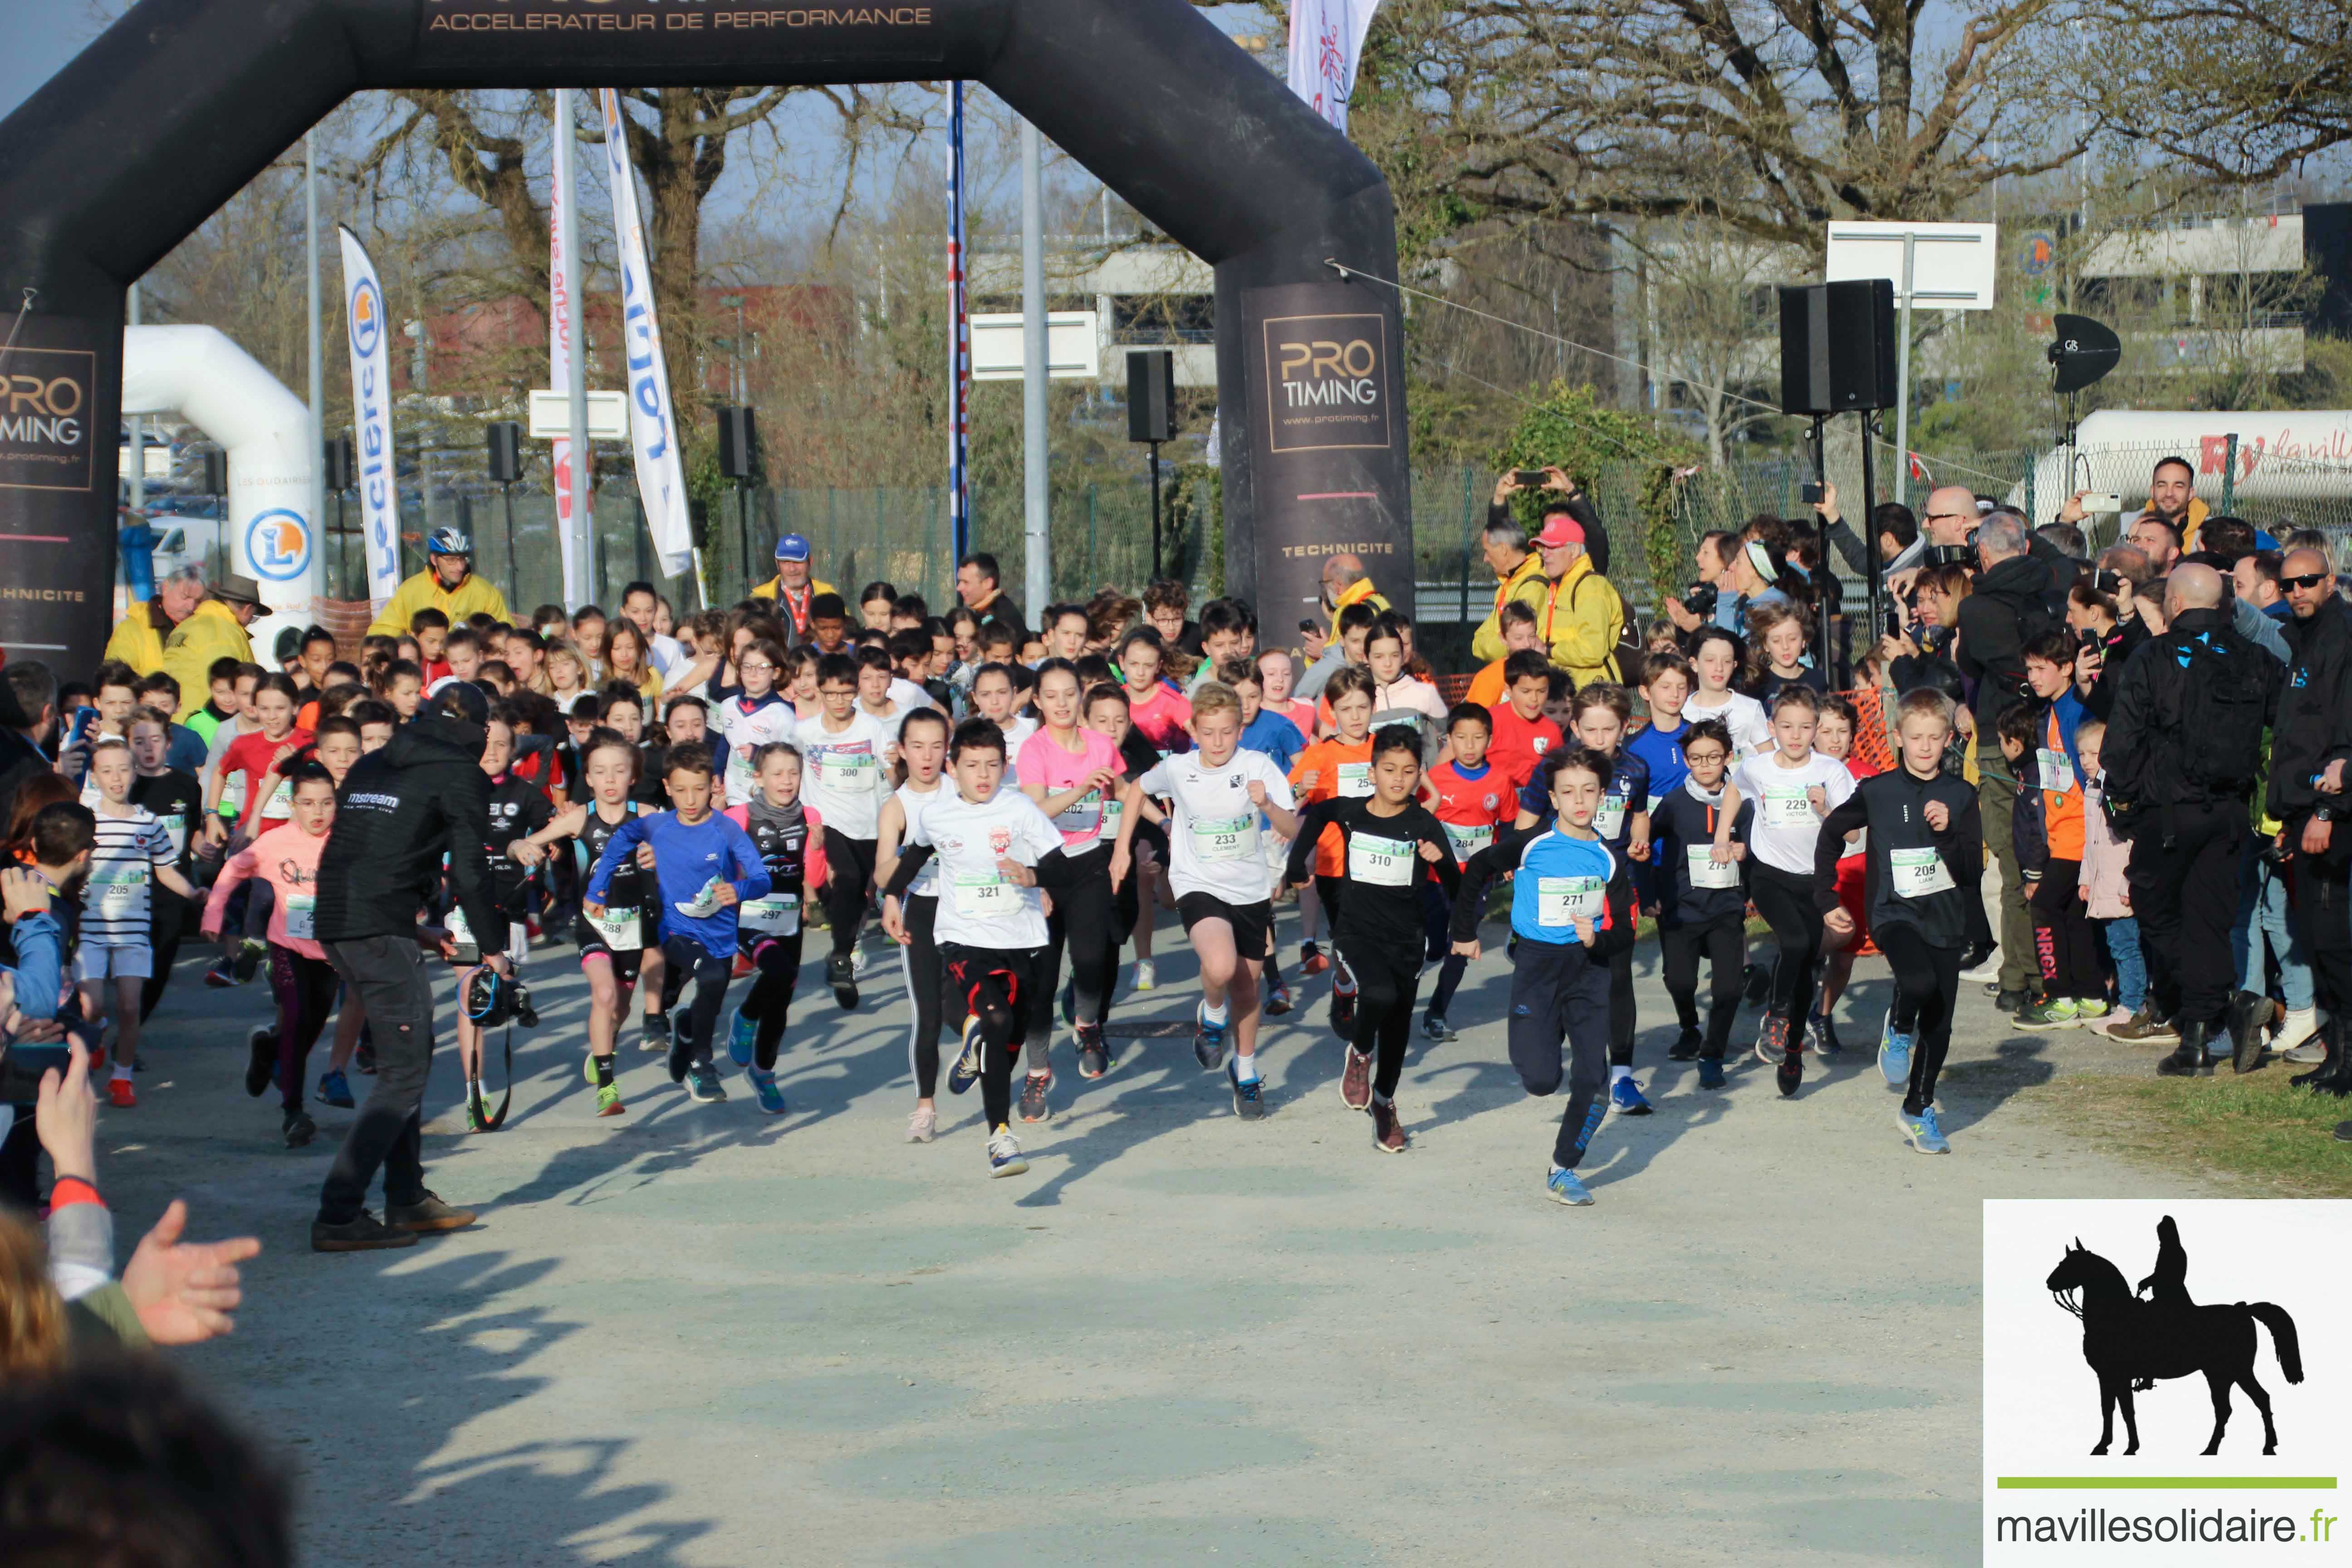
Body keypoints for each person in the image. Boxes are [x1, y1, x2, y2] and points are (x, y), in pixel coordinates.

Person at [305, 684, 506, 1252]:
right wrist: (493, 950)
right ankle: (339, 1215)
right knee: (403, 1075)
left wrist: (416, 928)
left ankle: (406, 1198)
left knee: (405, 1062)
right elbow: (469, 875)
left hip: (341, 918)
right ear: (479, 733)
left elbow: (361, 853)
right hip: (373, 930)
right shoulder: (460, 774)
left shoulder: (374, 761)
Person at [881, 718, 1096, 1176]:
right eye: (972, 765)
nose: (983, 775)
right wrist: (890, 898)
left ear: (1006, 766)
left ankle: (977, 1045)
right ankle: (1000, 1137)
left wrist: (1033, 876)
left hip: (1024, 941)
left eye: (993, 765)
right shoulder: (937, 815)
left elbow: (1064, 867)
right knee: (995, 1017)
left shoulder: (1020, 810)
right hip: (964, 940)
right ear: (952, 767)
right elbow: (914, 856)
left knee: (1008, 1041)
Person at [2102, 563, 2283, 1077]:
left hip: (2168, 813)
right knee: (2208, 920)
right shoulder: (2256, 660)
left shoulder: (2155, 658)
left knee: (2157, 911)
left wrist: (2123, 801)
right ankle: (2202, 1037)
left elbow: (2122, 741)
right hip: (2229, 813)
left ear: (2175, 605)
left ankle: (2220, 1009)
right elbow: (2287, 725)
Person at [1448, 748, 1639, 1206]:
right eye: (1568, 791)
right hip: (1536, 967)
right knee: (1540, 1079)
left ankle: (1564, 1168)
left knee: (1594, 1080)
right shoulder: (1531, 844)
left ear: (1602, 796)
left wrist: (1597, 942)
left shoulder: (1609, 860)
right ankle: (1544, 1036)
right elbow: (1478, 868)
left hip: (1588, 972)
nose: (1580, 800)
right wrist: (1463, 932)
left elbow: (1626, 931)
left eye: (1589, 791)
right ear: (1552, 797)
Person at [1109, 685, 1300, 1117]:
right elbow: (1137, 790)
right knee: (1220, 966)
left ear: (1240, 729)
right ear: (1193, 728)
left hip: (1249, 889)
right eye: (1208, 732)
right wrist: (1123, 849)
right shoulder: (1177, 768)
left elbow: (1290, 829)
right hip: (1197, 883)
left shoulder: (1258, 767)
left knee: (1247, 987)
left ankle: (1245, 1071)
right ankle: (1212, 1015)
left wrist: (1267, 804)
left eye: (1227, 732)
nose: (1217, 742)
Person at [1815, 690, 1986, 1154]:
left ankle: (1917, 1108)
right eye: (1916, 737)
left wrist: (1949, 833)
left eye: (1935, 737)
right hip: (1894, 911)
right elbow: (1832, 833)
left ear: (1949, 738)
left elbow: (1972, 868)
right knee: (1916, 980)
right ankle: (1898, 1027)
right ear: (1898, 738)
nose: (1926, 747)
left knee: (1942, 1022)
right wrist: (1825, 893)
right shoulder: (1878, 791)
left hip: (1946, 915)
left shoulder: (1961, 794)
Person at [1282, 724, 1457, 1151]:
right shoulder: (1350, 812)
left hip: (1406, 940)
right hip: (1356, 930)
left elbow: (1456, 887)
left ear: (1420, 775)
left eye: (1409, 771)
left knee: (1398, 1025)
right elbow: (1317, 815)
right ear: (1373, 770)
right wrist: (1295, 866)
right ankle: (1360, 1053)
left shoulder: (1423, 824)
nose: (1398, 779)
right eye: (1389, 769)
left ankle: (1384, 1104)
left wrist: (1442, 863)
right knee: (1377, 995)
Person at [585, 743, 771, 1104]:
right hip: (675, 932)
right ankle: (701, 1065)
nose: (690, 798)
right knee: (713, 979)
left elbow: (762, 879)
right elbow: (620, 839)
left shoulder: (726, 829)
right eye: (681, 789)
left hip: (720, 936)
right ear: (667, 787)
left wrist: (740, 888)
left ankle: (685, 1033)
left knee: (710, 995)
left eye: (699, 789)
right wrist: (598, 888)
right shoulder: (656, 825)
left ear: (714, 784)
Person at [1717, 686, 1854, 1096]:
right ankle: (1776, 1017)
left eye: (1806, 727)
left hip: (1815, 881)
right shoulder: (1758, 767)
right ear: (1772, 727)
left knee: (1806, 964)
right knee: (1794, 942)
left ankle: (1791, 1046)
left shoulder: (1831, 772)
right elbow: (1734, 790)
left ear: (1818, 729)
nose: (1796, 736)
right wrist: (1723, 835)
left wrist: (1826, 811)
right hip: (1770, 874)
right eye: (1787, 727)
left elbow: (1852, 831)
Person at [1954, 510, 2060, 1010]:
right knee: (2054, 845)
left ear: (1984, 553)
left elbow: (1972, 665)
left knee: (2011, 854)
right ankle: (2052, 970)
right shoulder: (2055, 588)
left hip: (2001, 737)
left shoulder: (1978, 610)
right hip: (2053, 730)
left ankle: (2022, 974)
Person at [203, 760, 339, 1147]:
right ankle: (293, 1112)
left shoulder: (346, 840)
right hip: (288, 947)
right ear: (293, 805)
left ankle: (267, 1048)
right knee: (296, 1020)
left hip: (331, 954)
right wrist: (214, 913)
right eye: (309, 803)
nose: (318, 813)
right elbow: (232, 871)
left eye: (327, 803)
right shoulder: (276, 841)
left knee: (312, 1026)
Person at [1017, 661, 1128, 1111]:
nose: (1063, 704)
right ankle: (1037, 1074)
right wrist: (1083, 789)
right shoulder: (1033, 749)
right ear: (1039, 701)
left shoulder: (1101, 744)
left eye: (1070, 694)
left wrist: (1163, 821)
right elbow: (1037, 811)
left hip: (1088, 863)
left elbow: (1125, 792)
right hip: (1042, 869)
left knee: (1091, 958)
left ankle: (1087, 1025)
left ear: (1081, 696)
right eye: (1052, 695)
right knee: (1042, 984)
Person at [531, 729, 652, 1117]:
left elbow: (692, 839)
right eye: (601, 771)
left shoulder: (648, 816)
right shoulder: (579, 818)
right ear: (589, 778)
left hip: (634, 926)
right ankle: (607, 1086)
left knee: (621, 1007)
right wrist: (522, 846)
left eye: (619, 770)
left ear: (632, 775)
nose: (610, 779)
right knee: (604, 996)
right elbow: (533, 840)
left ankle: (606, 1041)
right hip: (593, 924)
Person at [2265, 546, 2351, 1083]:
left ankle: (2348, 1064)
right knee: (2319, 941)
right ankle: (2338, 1058)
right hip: (2302, 809)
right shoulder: (2301, 637)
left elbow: (2343, 734)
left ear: (2331, 580)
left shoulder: (2340, 637)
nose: (2297, 590)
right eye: (2289, 583)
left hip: (2331, 812)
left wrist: (2327, 809)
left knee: (2335, 940)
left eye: (2308, 581)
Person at [76, 738, 198, 1108]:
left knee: (130, 1008)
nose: (117, 778)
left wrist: (194, 894)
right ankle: (95, 1035)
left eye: (123, 769)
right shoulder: (85, 819)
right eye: (107, 771)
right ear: (94, 777)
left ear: (134, 774)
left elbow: (166, 871)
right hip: (90, 930)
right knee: (91, 1007)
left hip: (134, 931)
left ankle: (121, 1078)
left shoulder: (149, 823)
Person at [721, 744, 828, 1117]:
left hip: (788, 918)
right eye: (777, 773)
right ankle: (745, 1016)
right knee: (778, 972)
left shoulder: (811, 815)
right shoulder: (738, 818)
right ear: (758, 777)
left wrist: (817, 848)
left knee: (781, 1000)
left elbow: (812, 879)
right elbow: (720, 869)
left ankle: (763, 1072)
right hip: (748, 917)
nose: (786, 781)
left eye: (793, 773)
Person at [1647, 720, 1749, 1085]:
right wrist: (1649, 892)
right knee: (1679, 980)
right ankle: (1690, 1027)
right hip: (1681, 907)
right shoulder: (1674, 803)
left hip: (1726, 907)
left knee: (1728, 987)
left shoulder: (1744, 803)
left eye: (1713, 757)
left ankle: (1713, 1054)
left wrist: (1744, 850)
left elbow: (1761, 848)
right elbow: (1645, 843)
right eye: (1696, 758)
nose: (1705, 765)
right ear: (1686, 760)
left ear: (1728, 757)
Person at [795, 652, 897, 1010]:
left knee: (863, 895)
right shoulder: (805, 732)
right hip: (828, 820)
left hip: (869, 821)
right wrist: (807, 816)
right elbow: (792, 769)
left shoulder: (870, 727)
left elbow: (892, 774)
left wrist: (898, 766)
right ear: (819, 692)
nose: (839, 701)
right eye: (831, 694)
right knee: (848, 877)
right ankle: (840, 957)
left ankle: (845, 952)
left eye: (845, 693)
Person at [1419, 703, 1518, 1041]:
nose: (1470, 745)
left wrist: (1505, 862)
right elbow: (1420, 822)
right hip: (1436, 878)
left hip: (1477, 881)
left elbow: (1507, 826)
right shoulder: (1436, 779)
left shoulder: (1501, 782)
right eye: (1461, 737)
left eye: (1478, 737)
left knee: (1459, 946)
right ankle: (1403, 999)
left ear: (1490, 739)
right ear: (1449, 739)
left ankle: (1436, 1012)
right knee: (1432, 947)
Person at [875, 708, 952, 1142]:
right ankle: (925, 1107)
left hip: (969, 912)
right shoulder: (897, 806)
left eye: (936, 746)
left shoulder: (963, 791)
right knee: (927, 1012)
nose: (927, 756)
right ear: (902, 751)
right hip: (922, 910)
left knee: (976, 1002)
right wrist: (915, 852)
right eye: (917, 746)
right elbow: (882, 874)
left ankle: (975, 1053)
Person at [1289, 666, 1379, 1030]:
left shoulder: (1384, 748)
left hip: (1380, 860)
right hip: (1335, 864)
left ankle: (1373, 996)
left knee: (1374, 936)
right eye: (1346, 709)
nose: (1355, 717)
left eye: (1362, 707)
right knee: (1344, 939)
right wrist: (1300, 788)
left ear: (1373, 706)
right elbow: (1291, 800)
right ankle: (1344, 985)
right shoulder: (1322, 754)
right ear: (1332, 712)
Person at [157, 574, 268, 723]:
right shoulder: (224, 632)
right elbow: (226, 691)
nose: (249, 622)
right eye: (254, 618)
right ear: (247, 609)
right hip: (208, 727)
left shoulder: (184, 627)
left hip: (175, 721)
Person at [1531, 511, 1624, 687]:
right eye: (1542, 548)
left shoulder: (1591, 587)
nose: (1545, 554)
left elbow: (1593, 649)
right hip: (1563, 695)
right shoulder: (1554, 587)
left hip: (1592, 697)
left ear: (1574, 550)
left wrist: (1549, 651)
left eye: (1553, 547)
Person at [364, 528, 512, 639]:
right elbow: (385, 630)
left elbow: (505, 631)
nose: (460, 567)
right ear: (434, 560)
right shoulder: (410, 590)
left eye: (462, 559)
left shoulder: (484, 592)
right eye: (451, 560)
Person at [2058, 454, 2207, 551]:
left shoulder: (2208, 532)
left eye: (2178, 486)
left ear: (2191, 493)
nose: (2169, 493)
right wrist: (2066, 523)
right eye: (2162, 485)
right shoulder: (2130, 523)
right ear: (2152, 491)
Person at [1469, 508, 1549, 663]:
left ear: (1503, 550)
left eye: (1487, 551)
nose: (1485, 559)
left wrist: (1488, 641)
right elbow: (1478, 640)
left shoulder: (1532, 587)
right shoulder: (1509, 585)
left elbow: (1503, 646)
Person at [104, 563, 208, 677]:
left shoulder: (204, 627)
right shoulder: (131, 630)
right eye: (185, 597)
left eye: (198, 601)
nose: (191, 607)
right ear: (166, 588)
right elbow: (114, 679)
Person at [751, 533, 838, 639]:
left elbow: (843, 631)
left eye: (798, 562)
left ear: (810, 562)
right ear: (777, 564)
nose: (792, 569)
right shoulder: (760, 598)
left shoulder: (827, 595)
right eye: (786, 562)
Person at [955, 552, 1026, 639]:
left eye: (966, 582)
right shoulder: (986, 611)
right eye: (960, 582)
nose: (959, 588)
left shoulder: (1002, 620)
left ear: (988, 583)